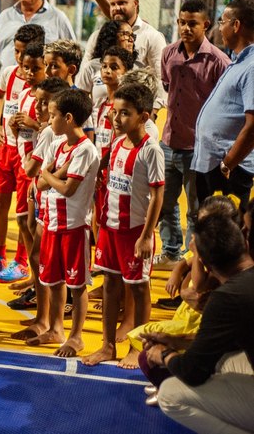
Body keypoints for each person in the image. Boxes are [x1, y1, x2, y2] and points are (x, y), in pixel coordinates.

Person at [82, 84, 165, 367]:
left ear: (144, 117)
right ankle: (106, 345)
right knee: (110, 285)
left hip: (135, 233)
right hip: (109, 229)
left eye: (125, 113)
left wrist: (145, 237)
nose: (117, 119)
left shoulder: (151, 150)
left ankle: (137, 346)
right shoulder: (117, 144)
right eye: (115, 113)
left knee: (139, 289)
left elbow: (157, 195)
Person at [149, 213, 254, 433]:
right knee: (223, 363)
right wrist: (179, 343)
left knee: (170, 394)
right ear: (244, 242)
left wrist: (164, 353)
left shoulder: (227, 298)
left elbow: (192, 371)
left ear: (206, 264)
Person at [156, 0, 230, 269]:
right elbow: (167, 85)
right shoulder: (168, 54)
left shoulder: (219, 61)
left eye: (192, 23)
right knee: (165, 203)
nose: (185, 28)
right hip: (168, 142)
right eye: (181, 22)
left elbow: (224, 105)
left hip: (198, 149)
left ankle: (191, 261)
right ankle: (171, 251)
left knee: (196, 210)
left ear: (206, 25)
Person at [30, 88, 98, 357]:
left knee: (77, 284)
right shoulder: (59, 145)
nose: (49, 121)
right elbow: (40, 182)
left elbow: (68, 189)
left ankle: (76, 336)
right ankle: (56, 328)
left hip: (74, 226)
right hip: (52, 223)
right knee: (54, 280)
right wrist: (55, 172)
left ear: (68, 118)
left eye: (53, 116)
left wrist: (49, 175)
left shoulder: (85, 150)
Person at [0, 24, 45, 280]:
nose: (19, 59)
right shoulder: (9, 73)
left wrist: (31, 126)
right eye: (16, 52)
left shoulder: (42, 87)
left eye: (23, 53)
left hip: (26, 154)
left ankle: (21, 261)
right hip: (7, 147)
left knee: (23, 212)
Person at [9, 77, 70, 336]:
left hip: (55, 202)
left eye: (45, 103)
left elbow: (31, 168)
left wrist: (38, 172)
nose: (39, 106)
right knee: (39, 258)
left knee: (49, 263)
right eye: (38, 100)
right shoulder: (50, 130)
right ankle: (43, 319)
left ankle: (52, 324)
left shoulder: (47, 132)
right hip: (45, 198)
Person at [192, 0, 254, 210]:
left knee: (225, 234)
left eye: (222, 22)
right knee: (210, 232)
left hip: (229, 170)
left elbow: (253, 125)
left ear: (236, 25)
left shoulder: (252, 66)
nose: (219, 28)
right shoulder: (239, 61)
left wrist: (228, 163)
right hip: (216, 165)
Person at [0, 42, 48, 283]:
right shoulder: (26, 92)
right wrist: (15, 129)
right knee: (22, 218)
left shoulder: (48, 95)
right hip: (20, 156)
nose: (28, 72)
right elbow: (25, 131)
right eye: (26, 67)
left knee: (31, 220)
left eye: (34, 68)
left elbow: (50, 131)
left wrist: (33, 123)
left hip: (37, 166)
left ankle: (29, 267)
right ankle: (32, 275)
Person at [76, 0, 167, 102]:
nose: (116, 8)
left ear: (135, 3)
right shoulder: (97, 36)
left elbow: (161, 80)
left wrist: (154, 114)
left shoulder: (152, 37)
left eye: (122, 3)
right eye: (112, 4)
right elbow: (84, 76)